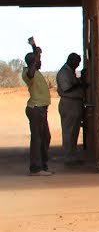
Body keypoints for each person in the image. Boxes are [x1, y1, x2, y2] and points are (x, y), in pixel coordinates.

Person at [22, 37, 52, 176]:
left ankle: (42, 164)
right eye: (38, 61)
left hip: (41, 109)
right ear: (33, 62)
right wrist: (36, 56)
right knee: (37, 138)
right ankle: (36, 167)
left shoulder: (35, 70)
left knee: (45, 137)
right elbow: (31, 69)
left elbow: (34, 59)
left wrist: (34, 47)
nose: (40, 62)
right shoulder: (28, 74)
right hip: (35, 109)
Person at [56, 52, 87, 165]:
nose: (77, 65)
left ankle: (72, 156)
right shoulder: (63, 73)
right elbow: (66, 89)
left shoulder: (70, 72)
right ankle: (68, 157)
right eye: (76, 62)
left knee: (74, 131)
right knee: (69, 130)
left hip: (75, 103)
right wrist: (80, 84)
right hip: (69, 103)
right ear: (71, 60)